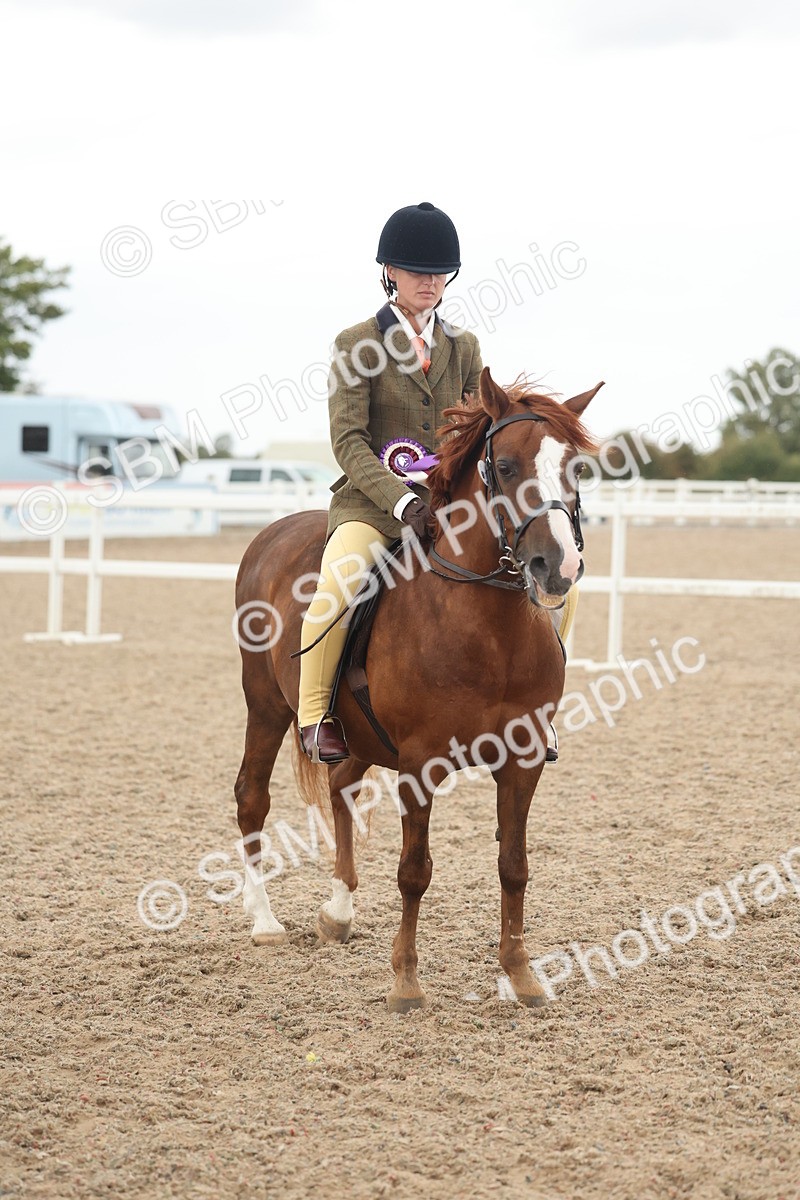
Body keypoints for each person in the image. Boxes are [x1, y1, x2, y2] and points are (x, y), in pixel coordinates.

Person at [297, 201, 482, 763]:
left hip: (448, 506)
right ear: (390, 274)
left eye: (437, 273)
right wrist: (401, 502)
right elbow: (348, 441)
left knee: (533, 569)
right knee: (336, 588)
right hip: (373, 507)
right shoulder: (357, 344)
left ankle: (537, 708)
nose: (429, 282)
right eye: (416, 272)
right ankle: (314, 715)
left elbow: (474, 430)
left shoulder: (464, 347)